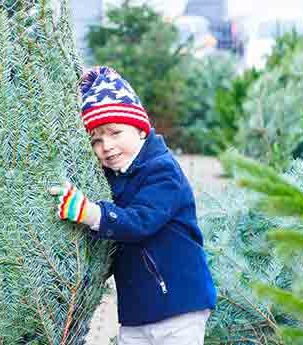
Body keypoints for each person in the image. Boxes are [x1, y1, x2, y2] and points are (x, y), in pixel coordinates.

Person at [50, 66, 216, 345]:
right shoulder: (113, 178)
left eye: (115, 133)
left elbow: (141, 221)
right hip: (136, 312)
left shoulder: (162, 171)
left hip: (179, 306)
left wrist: (91, 213)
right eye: (96, 140)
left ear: (140, 129)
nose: (107, 146)